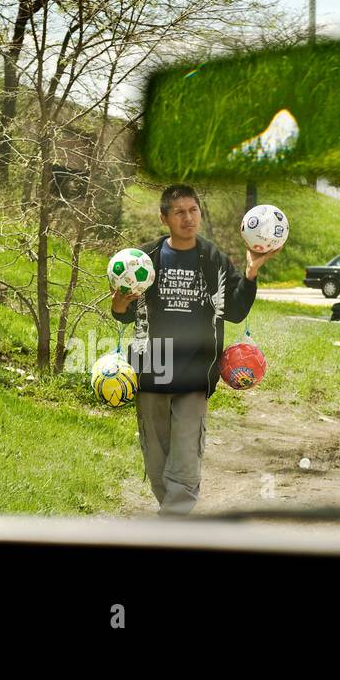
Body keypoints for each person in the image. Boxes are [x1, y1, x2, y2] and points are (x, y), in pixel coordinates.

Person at [110, 185, 275, 516]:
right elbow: (123, 314)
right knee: (156, 461)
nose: (188, 218)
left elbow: (236, 311)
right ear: (164, 218)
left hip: (194, 375)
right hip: (151, 370)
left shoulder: (214, 259)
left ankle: (170, 524)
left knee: (185, 459)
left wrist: (251, 271)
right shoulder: (144, 259)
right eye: (179, 212)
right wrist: (118, 301)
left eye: (193, 210)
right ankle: (172, 517)